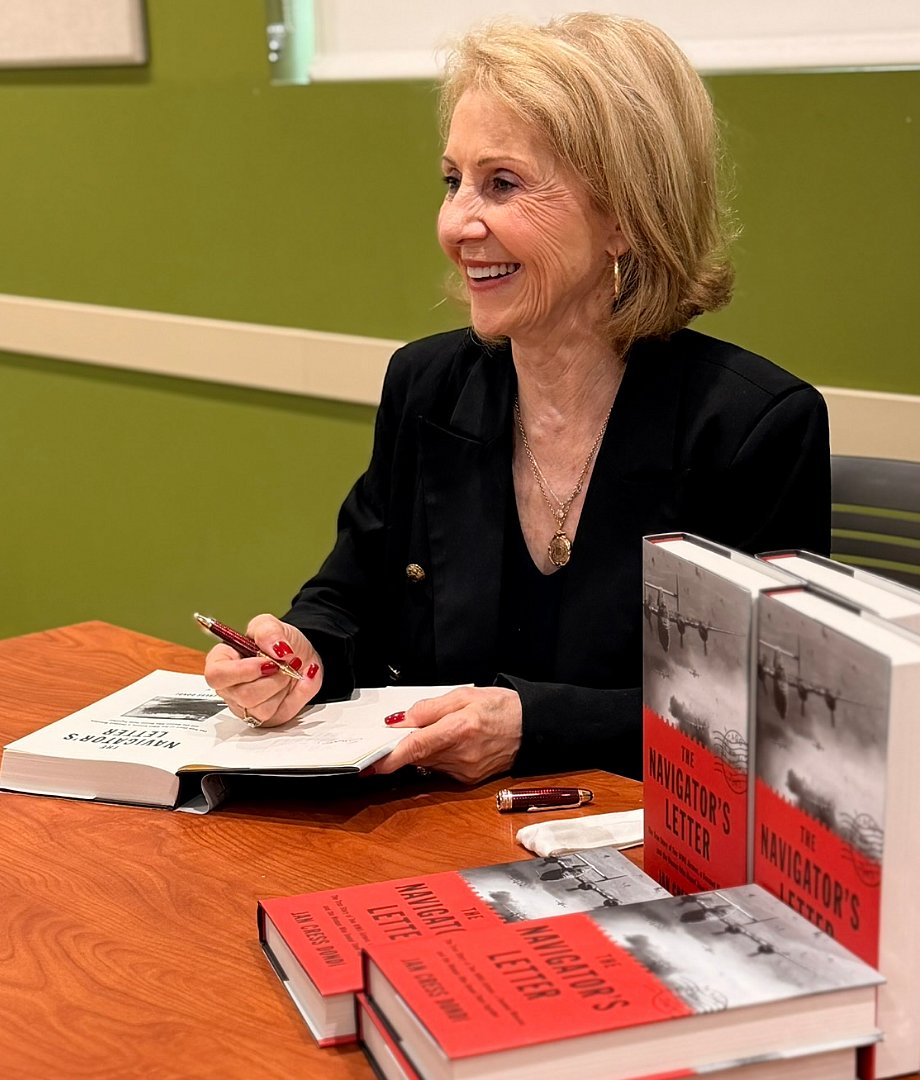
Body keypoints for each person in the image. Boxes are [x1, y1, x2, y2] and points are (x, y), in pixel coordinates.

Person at [204, 13, 830, 784]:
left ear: (624, 217)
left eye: (501, 184)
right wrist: (298, 654)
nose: (457, 222)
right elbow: (350, 599)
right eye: (453, 181)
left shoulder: (749, 429)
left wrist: (539, 726)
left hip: (638, 852)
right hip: (430, 837)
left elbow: (771, 721)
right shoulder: (428, 387)